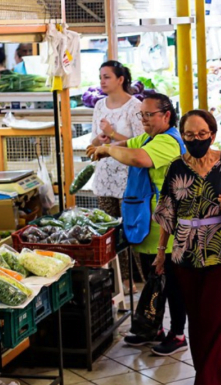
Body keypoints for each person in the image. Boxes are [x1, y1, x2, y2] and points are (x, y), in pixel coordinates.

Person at [154, 110, 221, 385]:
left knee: (214, 316)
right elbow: (166, 212)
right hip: (184, 252)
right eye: (189, 135)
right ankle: (211, 365)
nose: (195, 139)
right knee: (196, 318)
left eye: (201, 134)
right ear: (182, 135)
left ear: (212, 134)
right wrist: (161, 251)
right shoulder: (176, 168)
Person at [86, 93, 188, 356]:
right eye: (141, 115)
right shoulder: (148, 138)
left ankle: (178, 334)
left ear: (166, 115)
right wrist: (106, 144)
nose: (144, 120)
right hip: (146, 223)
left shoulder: (169, 141)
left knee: (172, 284)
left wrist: (108, 150)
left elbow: (139, 158)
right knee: (155, 281)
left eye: (149, 115)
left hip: (167, 226)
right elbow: (129, 144)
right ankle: (153, 329)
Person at [88, 61, 145, 291]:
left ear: (121, 79)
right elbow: (93, 142)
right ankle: (115, 281)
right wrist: (100, 139)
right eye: (101, 76)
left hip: (128, 178)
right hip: (104, 178)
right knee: (108, 231)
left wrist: (113, 134)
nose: (102, 81)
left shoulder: (135, 106)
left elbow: (141, 143)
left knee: (129, 229)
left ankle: (135, 279)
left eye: (107, 77)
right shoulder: (99, 105)